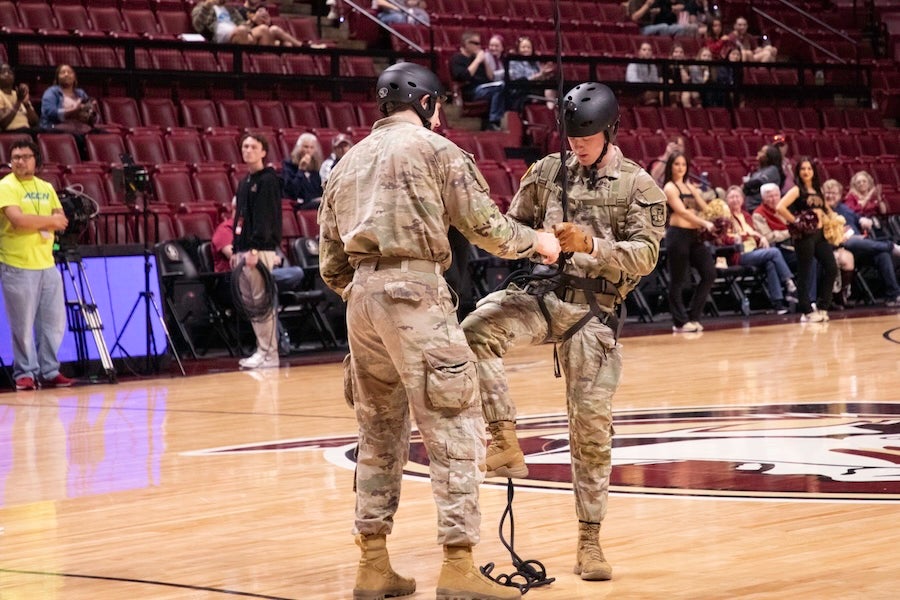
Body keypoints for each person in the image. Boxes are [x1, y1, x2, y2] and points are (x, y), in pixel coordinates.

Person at [318, 62, 560, 600]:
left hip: (360, 301)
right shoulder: (437, 151)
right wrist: (538, 242)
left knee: (378, 434)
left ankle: (373, 564)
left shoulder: (346, 163)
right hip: (415, 293)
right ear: (427, 104)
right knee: (453, 428)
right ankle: (457, 566)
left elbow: (331, 263)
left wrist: (371, 292)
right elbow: (486, 228)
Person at [461, 82, 666, 581]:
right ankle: (503, 436)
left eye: (589, 136)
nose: (579, 144)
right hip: (542, 296)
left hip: (593, 312)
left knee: (591, 432)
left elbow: (646, 256)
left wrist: (593, 244)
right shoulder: (547, 173)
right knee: (475, 329)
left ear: (609, 130)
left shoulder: (639, 186)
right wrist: (537, 243)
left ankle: (589, 541)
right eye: (572, 135)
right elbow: (510, 231)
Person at [0, 140, 73, 391]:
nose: (19, 160)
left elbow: (62, 220)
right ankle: (25, 372)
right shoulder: (6, 186)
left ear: (36, 160)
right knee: (22, 325)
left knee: (52, 323)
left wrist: (43, 221)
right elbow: (18, 220)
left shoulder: (46, 187)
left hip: (47, 264)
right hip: (17, 263)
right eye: (15, 156)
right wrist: (48, 221)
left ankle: (50, 370)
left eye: (25, 156)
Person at [231, 132, 282, 369]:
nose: (247, 150)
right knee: (251, 303)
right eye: (245, 146)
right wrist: (236, 248)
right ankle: (261, 349)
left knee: (262, 302)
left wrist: (253, 248)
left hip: (259, 250)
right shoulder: (245, 182)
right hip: (243, 250)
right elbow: (239, 218)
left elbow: (266, 218)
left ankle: (270, 353)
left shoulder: (268, 180)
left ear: (263, 151)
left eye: (253, 146)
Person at [776, 158, 838, 323]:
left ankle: (823, 306)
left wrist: (837, 222)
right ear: (798, 172)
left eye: (809, 169)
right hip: (804, 236)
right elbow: (780, 207)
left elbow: (828, 210)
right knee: (805, 272)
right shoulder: (797, 190)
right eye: (803, 169)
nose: (806, 171)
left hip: (819, 235)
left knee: (832, 267)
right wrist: (796, 221)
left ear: (813, 171)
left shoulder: (817, 190)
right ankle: (806, 310)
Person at [824, 178, 900, 307]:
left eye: (834, 193)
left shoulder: (844, 208)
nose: (831, 196)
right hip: (842, 246)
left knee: (882, 255)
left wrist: (863, 220)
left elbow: (857, 217)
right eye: (828, 193)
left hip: (861, 247)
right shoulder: (822, 211)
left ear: (840, 195)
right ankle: (891, 246)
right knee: (851, 242)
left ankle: (893, 295)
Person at [663, 151, 716, 332]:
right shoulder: (669, 188)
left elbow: (705, 206)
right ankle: (680, 322)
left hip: (695, 236)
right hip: (677, 235)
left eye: (683, 165)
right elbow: (682, 212)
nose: (680, 168)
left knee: (709, 274)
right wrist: (704, 223)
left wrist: (718, 213)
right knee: (678, 280)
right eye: (677, 164)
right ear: (671, 166)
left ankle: (694, 317)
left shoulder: (690, 187)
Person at [723, 185, 797, 314]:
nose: (735, 200)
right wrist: (748, 235)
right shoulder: (725, 218)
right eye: (731, 197)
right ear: (727, 200)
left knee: (771, 263)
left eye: (737, 196)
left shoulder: (746, 216)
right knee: (774, 252)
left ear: (742, 199)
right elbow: (726, 239)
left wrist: (760, 237)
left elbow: (756, 235)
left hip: (754, 251)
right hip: (739, 254)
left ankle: (778, 304)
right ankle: (789, 282)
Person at [450, 30, 506, 130]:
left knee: (505, 86)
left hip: (485, 88)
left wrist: (484, 61)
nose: (479, 46)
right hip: (470, 91)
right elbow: (464, 76)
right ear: (466, 43)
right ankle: (494, 122)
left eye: (480, 43)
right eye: (476, 43)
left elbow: (490, 77)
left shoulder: (478, 58)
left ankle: (494, 122)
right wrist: (477, 60)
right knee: (500, 86)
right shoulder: (457, 58)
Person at [39, 64, 98, 134]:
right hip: (54, 127)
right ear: (57, 78)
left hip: (80, 127)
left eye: (69, 72)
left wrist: (91, 113)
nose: (66, 74)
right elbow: (51, 113)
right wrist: (74, 110)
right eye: (62, 72)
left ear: (74, 78)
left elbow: (93, 118)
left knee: (102, 135)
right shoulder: (51, 92)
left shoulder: (81, 93)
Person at [507, 35, 557, 112]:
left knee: (551, 83)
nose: (526, 49)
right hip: (522, 90)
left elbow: (540, 76)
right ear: (518, 49)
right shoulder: (514, 62)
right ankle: (550, 109)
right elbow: (520, 81)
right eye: (523, 47)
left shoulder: (534, 61)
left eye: (528, 47)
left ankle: (551, 109)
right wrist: (541, 75)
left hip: (536, 87)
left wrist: (545, 74)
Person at [282, 132, 323, 207]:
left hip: (316, 204)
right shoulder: (289, 165)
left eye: (311, 147)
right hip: (299, 205)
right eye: (306, 147)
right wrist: (301, 170)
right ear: (298, 148)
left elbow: (319, 191)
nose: (308, 150)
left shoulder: (315, 168)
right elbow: (291, 192)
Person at [742, 144, 785, 212]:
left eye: (762, 151)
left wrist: (746, 186)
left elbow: (757, 183)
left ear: (768, 157)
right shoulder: (758, 171)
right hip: (751, 207)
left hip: (760, 208)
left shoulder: (773, 170)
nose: (758, 153)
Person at [191, 0, 256, 44]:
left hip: (237, 33)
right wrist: (207, 7)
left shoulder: (229, 8)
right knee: (242, 31)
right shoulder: (201, 7)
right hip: (220, 39)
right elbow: (198, 26)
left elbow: (241, 22)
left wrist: (249, 30)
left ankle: (262, 62)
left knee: (263, 29)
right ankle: (244, 62)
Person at [0, 64, 38, 133]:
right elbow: (3, 123)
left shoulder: (19, 94)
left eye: (10, 72)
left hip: (27, 131)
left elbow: (35, 122)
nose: (7, 74)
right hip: (10, 132)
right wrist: (18, 102)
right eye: (3, 72)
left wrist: (26, 104)